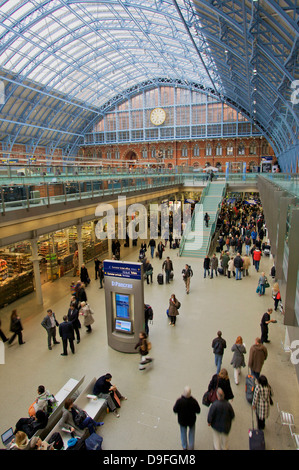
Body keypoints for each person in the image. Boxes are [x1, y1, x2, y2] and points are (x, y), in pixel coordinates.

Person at [173, 386, 201, 451]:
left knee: (183, 433)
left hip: (182, 421)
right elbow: (198, 411)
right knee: (192, 434)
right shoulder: (194, 401)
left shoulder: (179, 401)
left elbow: (175, 410)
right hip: (191, 421)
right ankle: (191, 447)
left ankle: (184, 446)